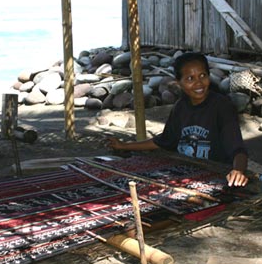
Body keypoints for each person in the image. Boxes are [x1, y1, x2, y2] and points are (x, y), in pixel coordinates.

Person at [107, 52, 249, 187]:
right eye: (190, 79)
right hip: (185, 174)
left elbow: (237, 148)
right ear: (179, 82)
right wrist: (124, 146)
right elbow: (164, 140)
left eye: (202, 76)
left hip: (214, 176)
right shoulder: (180, 107)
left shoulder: (222, 106)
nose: (199, 83)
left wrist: (238, 171)